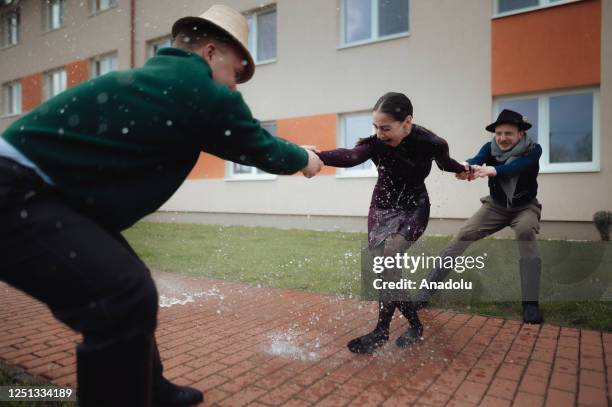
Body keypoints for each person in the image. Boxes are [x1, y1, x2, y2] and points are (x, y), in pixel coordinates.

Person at [0, 4, 322, 406]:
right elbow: (258, 146)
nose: (235, 87)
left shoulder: (159, 78)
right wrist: (305, 159)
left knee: (130, 278)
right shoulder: (199, 87)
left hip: (47, 191)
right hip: (15, 191)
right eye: (236, 74)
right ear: (209, 53)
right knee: (123, 297)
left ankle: (153, 388)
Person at [315, 92, 468, 354]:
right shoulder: (376, 143)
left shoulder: (432, 142)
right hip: (382, 205)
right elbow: (351, 156)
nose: (379, 133)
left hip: (414, 207)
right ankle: (415, 325)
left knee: (391, 256)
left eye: (385, 128)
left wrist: (464, 168)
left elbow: (446, 164)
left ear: (406, 122)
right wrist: (318, 156)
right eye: (375, 127)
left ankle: (382, 330)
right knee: (386, 271)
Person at [416, 109, 544, 324]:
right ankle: (425, 293)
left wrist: (491, 170)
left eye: (508, 134)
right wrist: (466, 168)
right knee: (463, 235)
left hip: (524, 207)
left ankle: (530, 304)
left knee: (525, 231)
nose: (502, 138)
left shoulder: (533, 150)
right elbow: (477, 160)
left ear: (520, 134)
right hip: (495, 206)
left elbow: (516, 168)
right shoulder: (490, 148)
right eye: (499, 133)